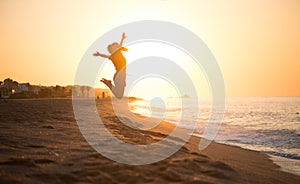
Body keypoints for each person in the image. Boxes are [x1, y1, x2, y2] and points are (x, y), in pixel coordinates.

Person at [93, 32, 128, 99]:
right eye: (115, 47)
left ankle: (109, 84)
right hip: (120, 75)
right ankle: (109, 84)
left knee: (119, 96)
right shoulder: (116, 53)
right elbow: (119, 46)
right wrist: (122, 38)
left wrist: (99, 54)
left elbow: (106, 55)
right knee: (119, 96)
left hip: (118, 75)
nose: (117, 47)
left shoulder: (113, 55)